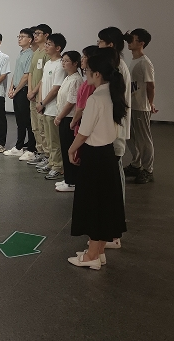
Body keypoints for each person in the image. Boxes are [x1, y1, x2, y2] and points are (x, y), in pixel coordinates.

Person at [67, 51, 128, 270]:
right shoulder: (113, 94)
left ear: (97, 74)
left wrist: (71, 150)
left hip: (94, 156)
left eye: (87, 71)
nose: (86, 74)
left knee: (93, 204)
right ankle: (98, 251)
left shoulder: (95, 99)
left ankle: (92, 255)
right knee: (105, 203)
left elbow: (84, 132)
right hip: (107, 154)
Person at [98, 26, 131, 213]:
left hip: (115, 127)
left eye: (100, 41)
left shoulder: (118, 67)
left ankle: (117, 217)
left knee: (116, 174)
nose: (98, 45)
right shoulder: (115, 65)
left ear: (110, 44)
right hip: (110, 127)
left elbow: (116, 101)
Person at [124, 28, 157, 184]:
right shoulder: (134, 61)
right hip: (131, 105)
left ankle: (148, 170)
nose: (129, 42)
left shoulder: (145, 63)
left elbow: (151, 86)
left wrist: (149, 104)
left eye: (133, 39)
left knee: (144, 139)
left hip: (140, 107)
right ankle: (136, 165)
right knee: (131, 137)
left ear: (141, 43)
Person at [36, 33, 67, 179]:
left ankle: (58, 166)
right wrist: (40, 102)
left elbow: (55, 89)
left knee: (55, 140)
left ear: (58, 48)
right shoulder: (48, 63)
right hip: (45, 107)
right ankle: (51, 161)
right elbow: (43, 83)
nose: (46, 46)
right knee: (48, 138)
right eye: (46, 44)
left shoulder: (60, 65)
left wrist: (43, 103)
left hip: (54, 108)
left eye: (49, 44)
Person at [53, 51, 82, 192]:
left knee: (69, 149)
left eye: (66, 61)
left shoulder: (76, 79)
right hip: (64, 117)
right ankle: (68, 178)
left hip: (69, 118)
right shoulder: (68, 77)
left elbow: (71, 102)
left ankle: (72, 182)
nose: (63, 63)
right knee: (64, 148)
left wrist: (59, 117)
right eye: (62, 60)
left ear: (75, 63)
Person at [23, 24, 52, 164]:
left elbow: (44, 77)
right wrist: (30, 90)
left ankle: (47, 155)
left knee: (43, 127)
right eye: (34, 34)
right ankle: (40, 152)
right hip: (32, 96)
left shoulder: (47, 53)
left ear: (46, 35)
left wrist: (35, 91)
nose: (35, 36)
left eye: (38, 33)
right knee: (35, 126)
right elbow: (30, 73)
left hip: (41, 96)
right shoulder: (35, 53)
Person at [4, 28, 35, 156]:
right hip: (17, 90)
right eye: (19, 36)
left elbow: (26, 76)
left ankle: (31, 148)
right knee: (19, 121)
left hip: (23, 90)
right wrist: (11, 88)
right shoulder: (21, 53)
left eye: (23, 36)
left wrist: (16, 91)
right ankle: (19, 146)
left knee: (27, 121)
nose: (19, 39)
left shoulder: (31, 54)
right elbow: (16, 73)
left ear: (30, 39)